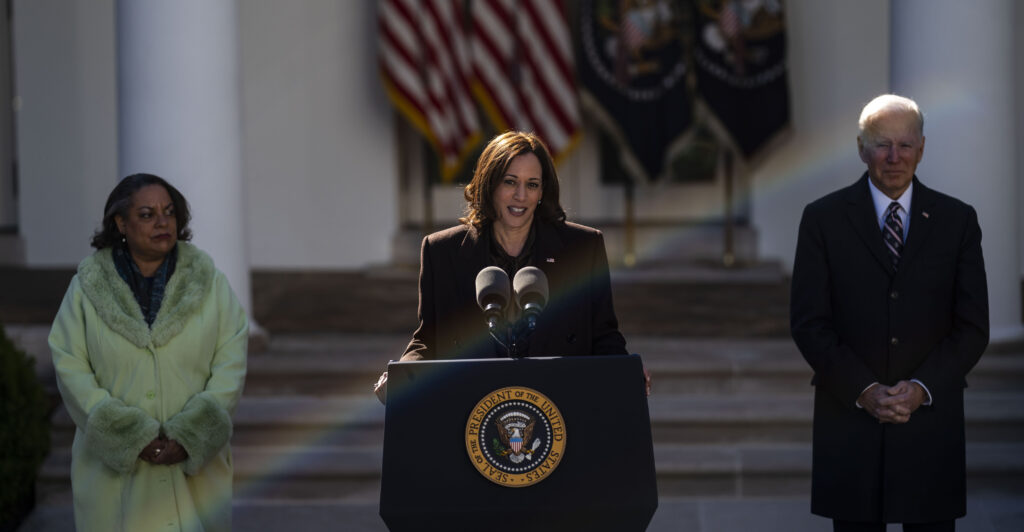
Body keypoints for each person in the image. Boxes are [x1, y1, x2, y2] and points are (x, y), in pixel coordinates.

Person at [790, 94, 989, 531]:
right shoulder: (821, 219)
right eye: (881, 144)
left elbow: (972, 328)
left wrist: (920, 388)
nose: (894, 157)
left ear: (922, 147)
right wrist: (863, 389)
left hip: (930, 424)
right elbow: (809, 323)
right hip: (850, 421)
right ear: (862, 148)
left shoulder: (958, 221)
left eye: (904, 144)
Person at [375, 131, 646, 397]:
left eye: (532, 184)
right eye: (509, 182)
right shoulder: (442, 251)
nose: (521, 195)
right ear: (489, 184)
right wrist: (403, 373)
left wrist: (626, 372)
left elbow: (604, 335)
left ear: (542, 191)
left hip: (559, 404)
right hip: (472, 405)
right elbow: (428, 339)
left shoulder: (582, 248)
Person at [49, 173, 248, 532]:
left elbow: (231, 361)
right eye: (147, 214)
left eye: (169, 212)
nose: (162, 222)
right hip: (114, 480)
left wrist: (191, 435)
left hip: (194, 475)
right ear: (120, 223)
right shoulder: (85, 288)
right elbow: (69, 363)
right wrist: (126, 434)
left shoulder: (210, 283)